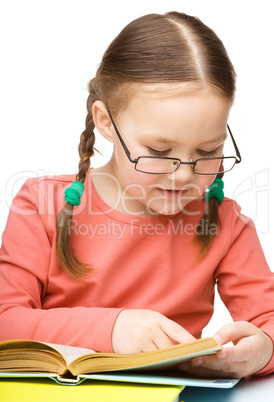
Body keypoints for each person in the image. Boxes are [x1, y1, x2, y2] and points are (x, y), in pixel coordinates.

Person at [0, 11, 273, 379]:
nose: (184, 175)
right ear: (106, 122)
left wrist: (262, 350)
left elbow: (268, 321)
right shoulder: (40, 204)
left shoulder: (226, 222)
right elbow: (5, 320)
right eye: (159, 152)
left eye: (208, 151)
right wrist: (112, 329)